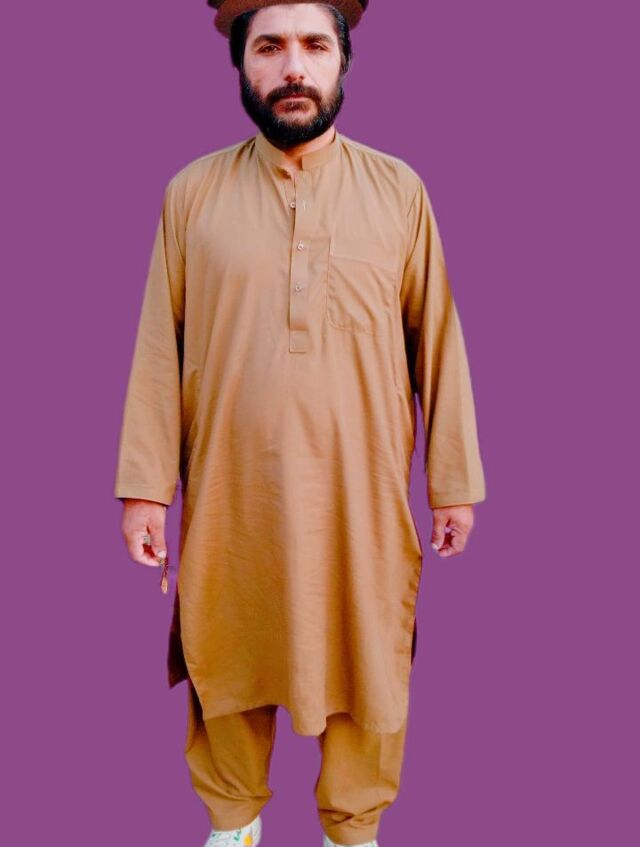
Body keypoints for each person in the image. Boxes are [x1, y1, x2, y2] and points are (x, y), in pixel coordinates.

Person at [114, 2, 487, 845]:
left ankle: (353, 827)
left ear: (342, 62)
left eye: (315, 45)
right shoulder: (192, 193)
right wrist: (144, 488)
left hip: (361, 493)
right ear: (241, 65)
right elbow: (158, 351)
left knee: (368, 649)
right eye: (270, 47)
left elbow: (439, 342)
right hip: (232, 491)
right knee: (226, 636)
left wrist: (453, 484)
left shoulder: (398, 190)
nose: (293, 67)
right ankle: (234, 821)